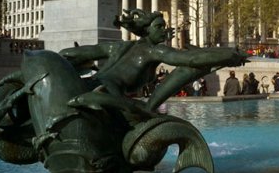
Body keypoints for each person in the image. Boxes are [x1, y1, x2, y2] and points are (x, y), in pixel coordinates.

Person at [60, 9, 247, 111]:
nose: (163, 30)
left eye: (164, 27)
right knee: (145, 112)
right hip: (110, 96)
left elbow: (73, 53)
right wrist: (230, 54)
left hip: (89, 84)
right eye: (159, 26)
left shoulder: (119, 46)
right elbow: (191, 59)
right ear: (146, 29)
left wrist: (68, 60)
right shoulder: (155, 51)